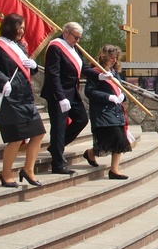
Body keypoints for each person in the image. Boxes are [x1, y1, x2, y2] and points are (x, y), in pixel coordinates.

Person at [0, 13, 45, 187]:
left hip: (26, 97)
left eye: (23, 28)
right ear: (10, 26)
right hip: (10, 99)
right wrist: (3, 81)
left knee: (39, 133)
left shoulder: (19, 47)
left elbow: (24, 70)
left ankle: (28, 169)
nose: (22, 31)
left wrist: (34, 67)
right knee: (15, 138)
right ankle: (6, 174)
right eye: (20, 27)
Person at [40, 22, 106, 175]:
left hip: (72, 92)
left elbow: (82, 67)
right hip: (58, 93)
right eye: (76, 37)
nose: (78, 41)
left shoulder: (74, 47)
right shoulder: (55, 47)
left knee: (81, 119)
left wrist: (99, 75)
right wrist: (60, 97)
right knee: (58, 127)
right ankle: (57, 164)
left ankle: (57, 146)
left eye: (80, 38)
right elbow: (53, 74)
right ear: (66, 33)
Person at [82, 45, 133, 180]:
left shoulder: (115, 73)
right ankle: (91, 154)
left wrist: (123, 96)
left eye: (116, 58)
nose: (114, 60)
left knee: (120, 139)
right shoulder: (96, 72)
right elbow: (89, 91)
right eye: (111, 57)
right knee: (111, 138)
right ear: (104, 57)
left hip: (116, 111)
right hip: (102, 112)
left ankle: (114, 170)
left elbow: (121, 89)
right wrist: (108, 97)